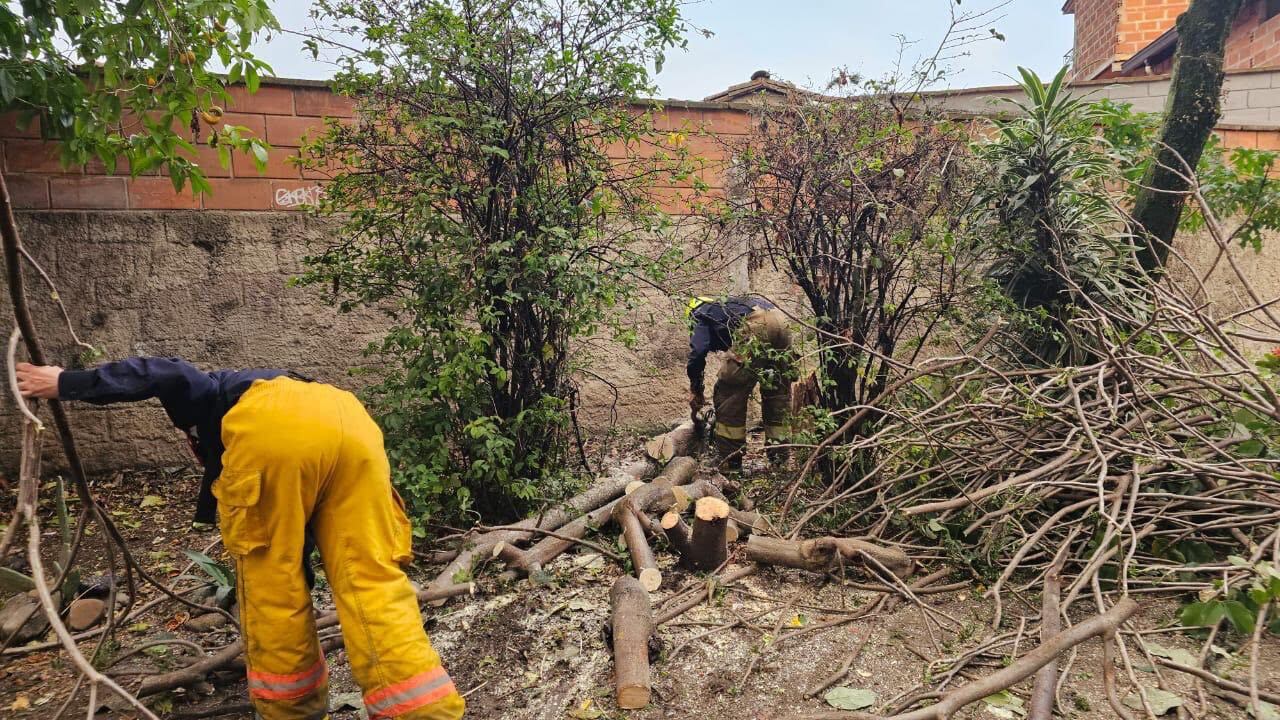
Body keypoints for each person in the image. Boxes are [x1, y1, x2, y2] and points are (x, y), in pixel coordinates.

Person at [15, 357, 464, 720]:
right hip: (353, 422)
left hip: (274, 429)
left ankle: (292, 709)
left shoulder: (212, 396)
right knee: (371, 577)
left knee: (273, 585)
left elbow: (167, 372)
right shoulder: (286, 385)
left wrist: (68, 382)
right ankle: (423, 710)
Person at [685, 295, 796, 472]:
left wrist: (695, 387)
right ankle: (779, 459)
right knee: (777, 391)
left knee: (729, 390)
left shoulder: (700, 314)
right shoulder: (725, 308)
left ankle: (730, 459)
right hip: (781, 320)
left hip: (757, 324)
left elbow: (698, 351)